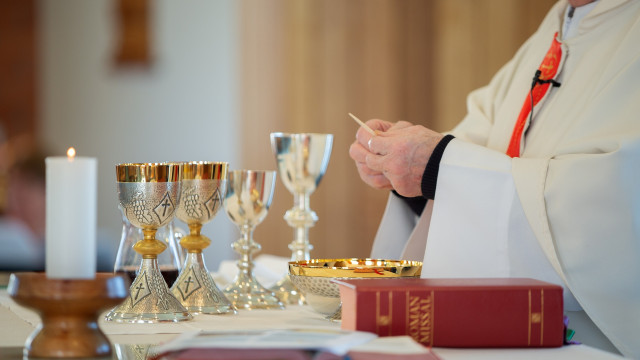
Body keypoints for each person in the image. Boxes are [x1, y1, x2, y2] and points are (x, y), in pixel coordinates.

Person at [349, 0, 639, 357]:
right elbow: (477, 144)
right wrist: (408, 172)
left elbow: (618, 202)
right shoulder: (561, 23)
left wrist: (438, 165)